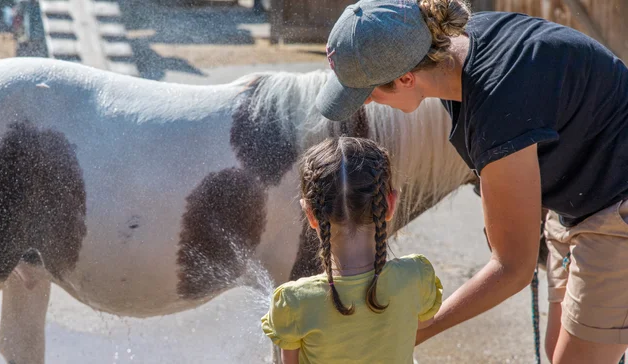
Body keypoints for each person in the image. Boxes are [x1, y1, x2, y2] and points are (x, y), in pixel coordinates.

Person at [315, 0, 628, 363]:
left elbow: (512, 268)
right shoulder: (456, 46)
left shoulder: (497, 104)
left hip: (615, 206)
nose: (367, 102)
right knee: (557, 349)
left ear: (405, 78)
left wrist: (406, 334)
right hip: (579, 196)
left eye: (368, 91)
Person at [261, 137, 443, 363]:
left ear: (310, 214)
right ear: (390, 205)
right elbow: (423, 324)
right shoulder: (415, 276)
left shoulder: (293, 303)